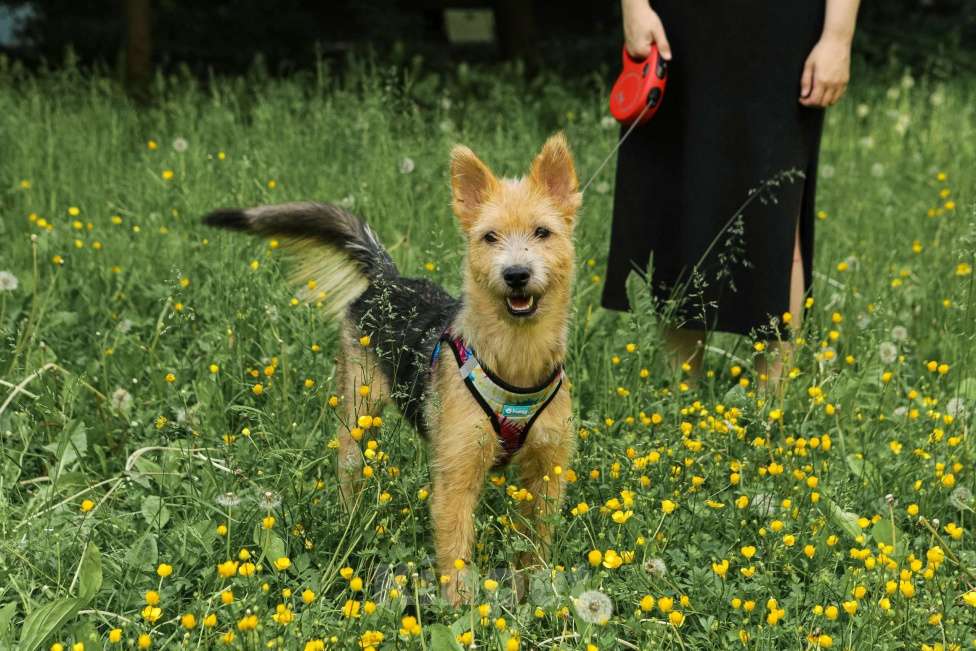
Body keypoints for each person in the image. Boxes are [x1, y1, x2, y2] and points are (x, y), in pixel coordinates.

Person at [602, 0, 860, 383]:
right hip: (678, 23)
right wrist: (634, 7)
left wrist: (837, 37)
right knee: (679, 194)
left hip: (784, 29)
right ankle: (679, 395)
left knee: (777, 207)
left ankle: (773, 405)